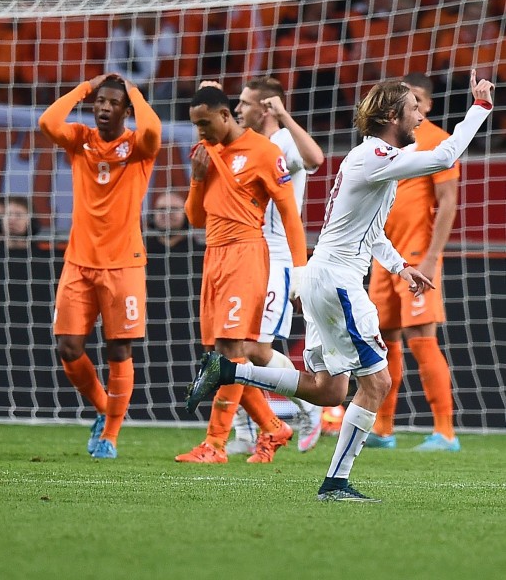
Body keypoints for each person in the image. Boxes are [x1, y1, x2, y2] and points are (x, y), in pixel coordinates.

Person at [186, 71, 493, 501]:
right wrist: (480, 108)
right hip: (338, 284)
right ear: (391, 116)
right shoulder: (376, 155)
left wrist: (400, 266)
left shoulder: (371, 159)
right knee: (378, 384)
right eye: (413, 109)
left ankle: (228, 370)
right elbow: (443, 158)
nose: (420, 117)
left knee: (329, 389)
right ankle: (335, 483)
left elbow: (370, 232)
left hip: (323, 277)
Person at [175, 85, 308, 465]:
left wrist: (300, 267)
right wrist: (198, 177)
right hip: (213, 256)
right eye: (195, 125)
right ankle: (273, 426)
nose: (200, 132)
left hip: (247, 255)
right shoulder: (205, 153)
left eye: (205, 123)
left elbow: (289, 215)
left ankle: (214, 445)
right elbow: (195, 217)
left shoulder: (265, 153)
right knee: (220, 357)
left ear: (224, 116)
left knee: (233, 351)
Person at [38, 73, 161, 459]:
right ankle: (105, 407)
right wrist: (83, 89)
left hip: (124, 265)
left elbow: (153, 129)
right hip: (78, 262)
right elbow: (47, 123)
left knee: (119, 350)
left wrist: (136, 93)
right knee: (68, 346)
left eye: (113, 103)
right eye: (100, 102)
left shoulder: (138, 148)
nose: (104, 108)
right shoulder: (80, 139)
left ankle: (109, 435)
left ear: (126, 109)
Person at [226, 77, 326, 456]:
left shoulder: (283, 141)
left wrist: (284, 115)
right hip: (246, 254)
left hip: (278, 257)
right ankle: (244, 433)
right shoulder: (247, 144)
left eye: (245, 103)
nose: (238, 109)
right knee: (232, 344)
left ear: (266, 108)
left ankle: (308, 406)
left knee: (255, 348)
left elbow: (316, 160)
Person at [365, 73, 462, 451]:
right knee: (384, 339)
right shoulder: (387, 142)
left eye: (419, 99)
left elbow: (449, 200)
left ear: (430, 104)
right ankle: (384, 429)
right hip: (385, 256)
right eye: (407, 99)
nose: (413, 106)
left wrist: (433, 257)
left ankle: (445, 432)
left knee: (421, 339)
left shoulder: (438, 141)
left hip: (419, 253)